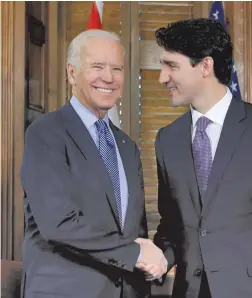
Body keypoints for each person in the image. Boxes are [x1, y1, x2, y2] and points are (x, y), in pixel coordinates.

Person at [151, 18, 252, 298]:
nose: (162, 77)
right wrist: (161, 257)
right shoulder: (167, 139)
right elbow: (172, 225)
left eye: (171, 65)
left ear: (205, 65)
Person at [20, 29, 167, 298]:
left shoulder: (127, 148)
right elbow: (58, 224)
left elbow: (135, 231)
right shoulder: (46, 133)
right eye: (97, 66)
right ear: (72, 72)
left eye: (117, 68)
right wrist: (135, 254)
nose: (108, 78)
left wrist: (153, 263)